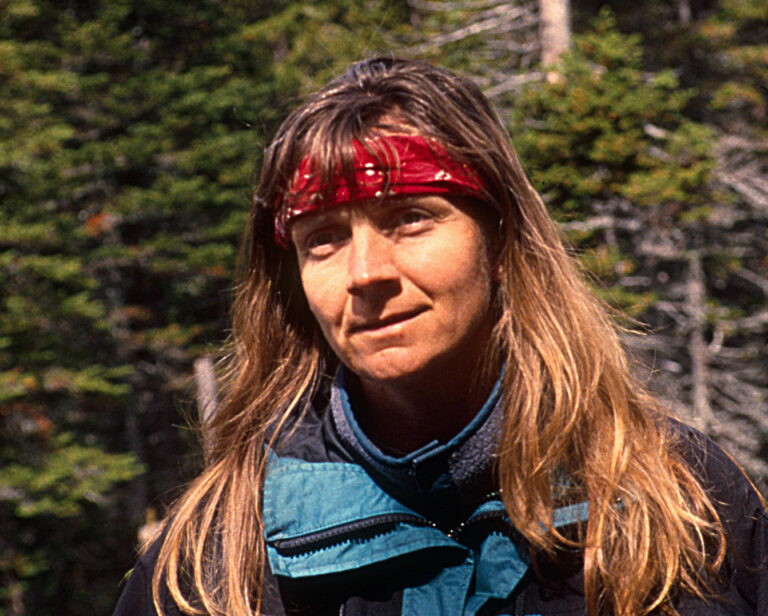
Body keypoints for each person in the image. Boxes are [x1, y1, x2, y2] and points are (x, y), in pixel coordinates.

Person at [113, 57, 767, 616]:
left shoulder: (685, 507)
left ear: (501, 239)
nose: (366, 273)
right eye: (324, 240)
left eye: (411, 218)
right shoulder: (213, 568)